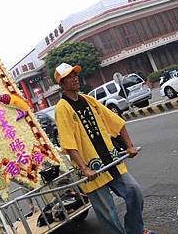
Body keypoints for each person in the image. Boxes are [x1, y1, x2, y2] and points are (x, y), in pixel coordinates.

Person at [53, 63, 156, 234]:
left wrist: (129, 145)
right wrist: (84, 168)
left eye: (75, 75)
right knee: (108, 213)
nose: (74, 79)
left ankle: (135, 230)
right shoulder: (62, 108)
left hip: (111, 161)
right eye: (68, 77)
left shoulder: (88, 99)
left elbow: (115, 121)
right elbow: (68, 144)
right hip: (91, 170)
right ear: (61, 84)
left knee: (134, 192)